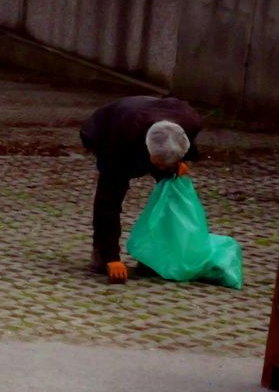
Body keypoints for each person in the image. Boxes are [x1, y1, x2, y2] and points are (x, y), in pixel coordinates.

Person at [79, 94, 204, 282]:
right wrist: (111, 258)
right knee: (112, 190)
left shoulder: (191, 122)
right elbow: (108, 203)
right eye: (159, 162)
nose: (161, 168)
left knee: (171, 184)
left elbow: (179, 142)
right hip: (108, 126)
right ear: (147, 150)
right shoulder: (120, 140)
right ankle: (101, 253)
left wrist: (179, 162)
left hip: (155, 117)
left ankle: (156, 252)